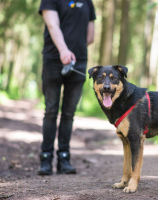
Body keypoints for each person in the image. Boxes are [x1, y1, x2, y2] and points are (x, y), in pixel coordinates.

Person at [37, 0, 96, 175]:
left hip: (78, 63)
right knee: (51, 110)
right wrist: (64, 50)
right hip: (54, 60)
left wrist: (74, 55)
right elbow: (52, 24)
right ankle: (46, 158)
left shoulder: (88, 2)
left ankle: (63, 158)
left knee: (68, 113)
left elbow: (91, 37)